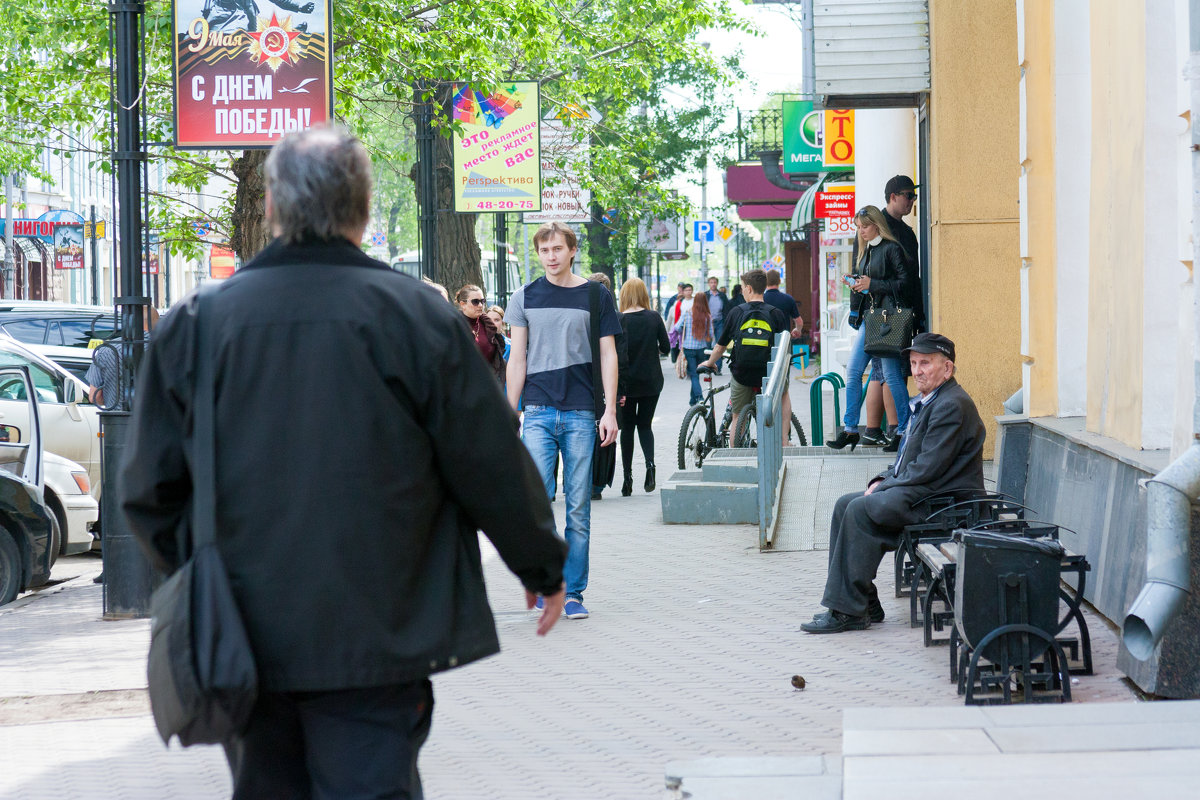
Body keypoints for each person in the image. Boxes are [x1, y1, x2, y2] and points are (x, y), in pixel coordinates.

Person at [120, 125, 568, 797]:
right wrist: (539, 563)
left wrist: (202, 571)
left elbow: (150, 491)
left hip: (244, 632)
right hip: (380, 630)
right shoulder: (417, 318)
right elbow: (487, 458)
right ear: (362, 210)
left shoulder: (198, 323)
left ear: (272, 206)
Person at [801, 333, 984, 633]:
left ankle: (849, 611)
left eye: (925, 363)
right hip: (924, 493)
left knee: (861, 510)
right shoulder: (930, 401)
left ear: (947, 368)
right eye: (913, 363)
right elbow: (907, 461)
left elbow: (926, 468)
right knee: (845, 504)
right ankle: (862, 601)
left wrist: (883, 489)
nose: (917, 370)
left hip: (943, 504)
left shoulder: (952, 405)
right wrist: (881, 480)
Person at [506, 222, 620, 621]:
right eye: (544, 250)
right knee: (538, 507)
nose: (551, 256)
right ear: (538, 254)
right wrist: (510, 410)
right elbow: (516, 358)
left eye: (558, 248)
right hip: (536, 411)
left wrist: (609, 411)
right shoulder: (524, 296)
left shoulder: (595, 294)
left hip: (580, 412)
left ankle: (573, 593)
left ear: (573, 251)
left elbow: (608, 354)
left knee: (578, 508)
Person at [826, 205, 912, 452]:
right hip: (870, 318)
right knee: (853, 371)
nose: (860, 231)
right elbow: (871, 287)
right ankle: (851, 429)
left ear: (876, 225)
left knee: (892, 376)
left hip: (888, 319)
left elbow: (904, 283)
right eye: (858, 227)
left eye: (864, 226)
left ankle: (904, 430)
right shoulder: (865, 252)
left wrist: (872, 283)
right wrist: (857, 285)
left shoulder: (891, 248)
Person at [862, 176, 924, 449]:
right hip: (892, 313)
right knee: (891, 372)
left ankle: (872, 430)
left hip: (881, 312)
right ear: (892, 196)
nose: (912, 200)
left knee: (879, 372)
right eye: (908, 195)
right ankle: (895, 430)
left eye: (913, 196)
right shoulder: (886, 230)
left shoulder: (895, 230)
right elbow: (906, 279)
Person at [699, 269, 789, 446]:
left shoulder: (736, 312)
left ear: (748, 288)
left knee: (737, 417)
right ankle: (784, 441)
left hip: (742, 372)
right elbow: (785, 348)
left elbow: (720, 346)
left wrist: (710, 362)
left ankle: (735, 455)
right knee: (784, 394)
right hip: (768, 374)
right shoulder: (776, 313)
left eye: (742, 288)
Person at [617, 277, 669, 496]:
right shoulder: (654, 317)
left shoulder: (619, 320)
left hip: (627, 383)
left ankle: (627, 478)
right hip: (651, 381)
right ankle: (650, 466)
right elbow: (666, 348)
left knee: (627, 429)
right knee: (645, 426)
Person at [586, 273, 629, 500]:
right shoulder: (617, 317)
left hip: (591, 380)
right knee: (602, 432)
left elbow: (618, 356)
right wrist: (621, 390)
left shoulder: (587, 314)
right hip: (603, 382)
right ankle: (596, 483)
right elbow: (621, 357)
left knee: (594, 430)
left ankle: (592, 482)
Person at [671, 290, 713, 407]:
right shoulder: (708, 316)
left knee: (694, 375)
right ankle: (692, 400)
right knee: (696, 374)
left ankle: (699, 397)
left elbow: (677, 327)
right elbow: (711, 335)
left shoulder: (687, 313)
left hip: (688, 348)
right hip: (702, 349)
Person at [456, 284, 506, 381]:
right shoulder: (454, 325)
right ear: (463, 304)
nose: (480, 305)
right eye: (475, 302)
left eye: (482, 301)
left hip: (487, 386)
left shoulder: (488, 325)